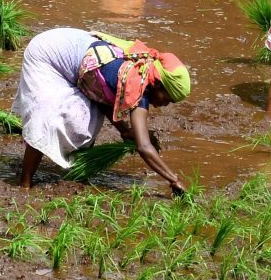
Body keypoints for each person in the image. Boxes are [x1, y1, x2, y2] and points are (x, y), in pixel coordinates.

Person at [13, 27, 190, 194]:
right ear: (158, 84)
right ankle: (25, 184)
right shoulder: (134, 81)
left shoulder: (143, 76)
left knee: (89, 120)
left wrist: (124, 130)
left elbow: (101, 94)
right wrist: (173, 179)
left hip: (78, 59)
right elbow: (143, 147)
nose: (165, 105)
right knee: (47, 120)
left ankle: (75, 173)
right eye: (167, 99)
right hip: (47, 55)